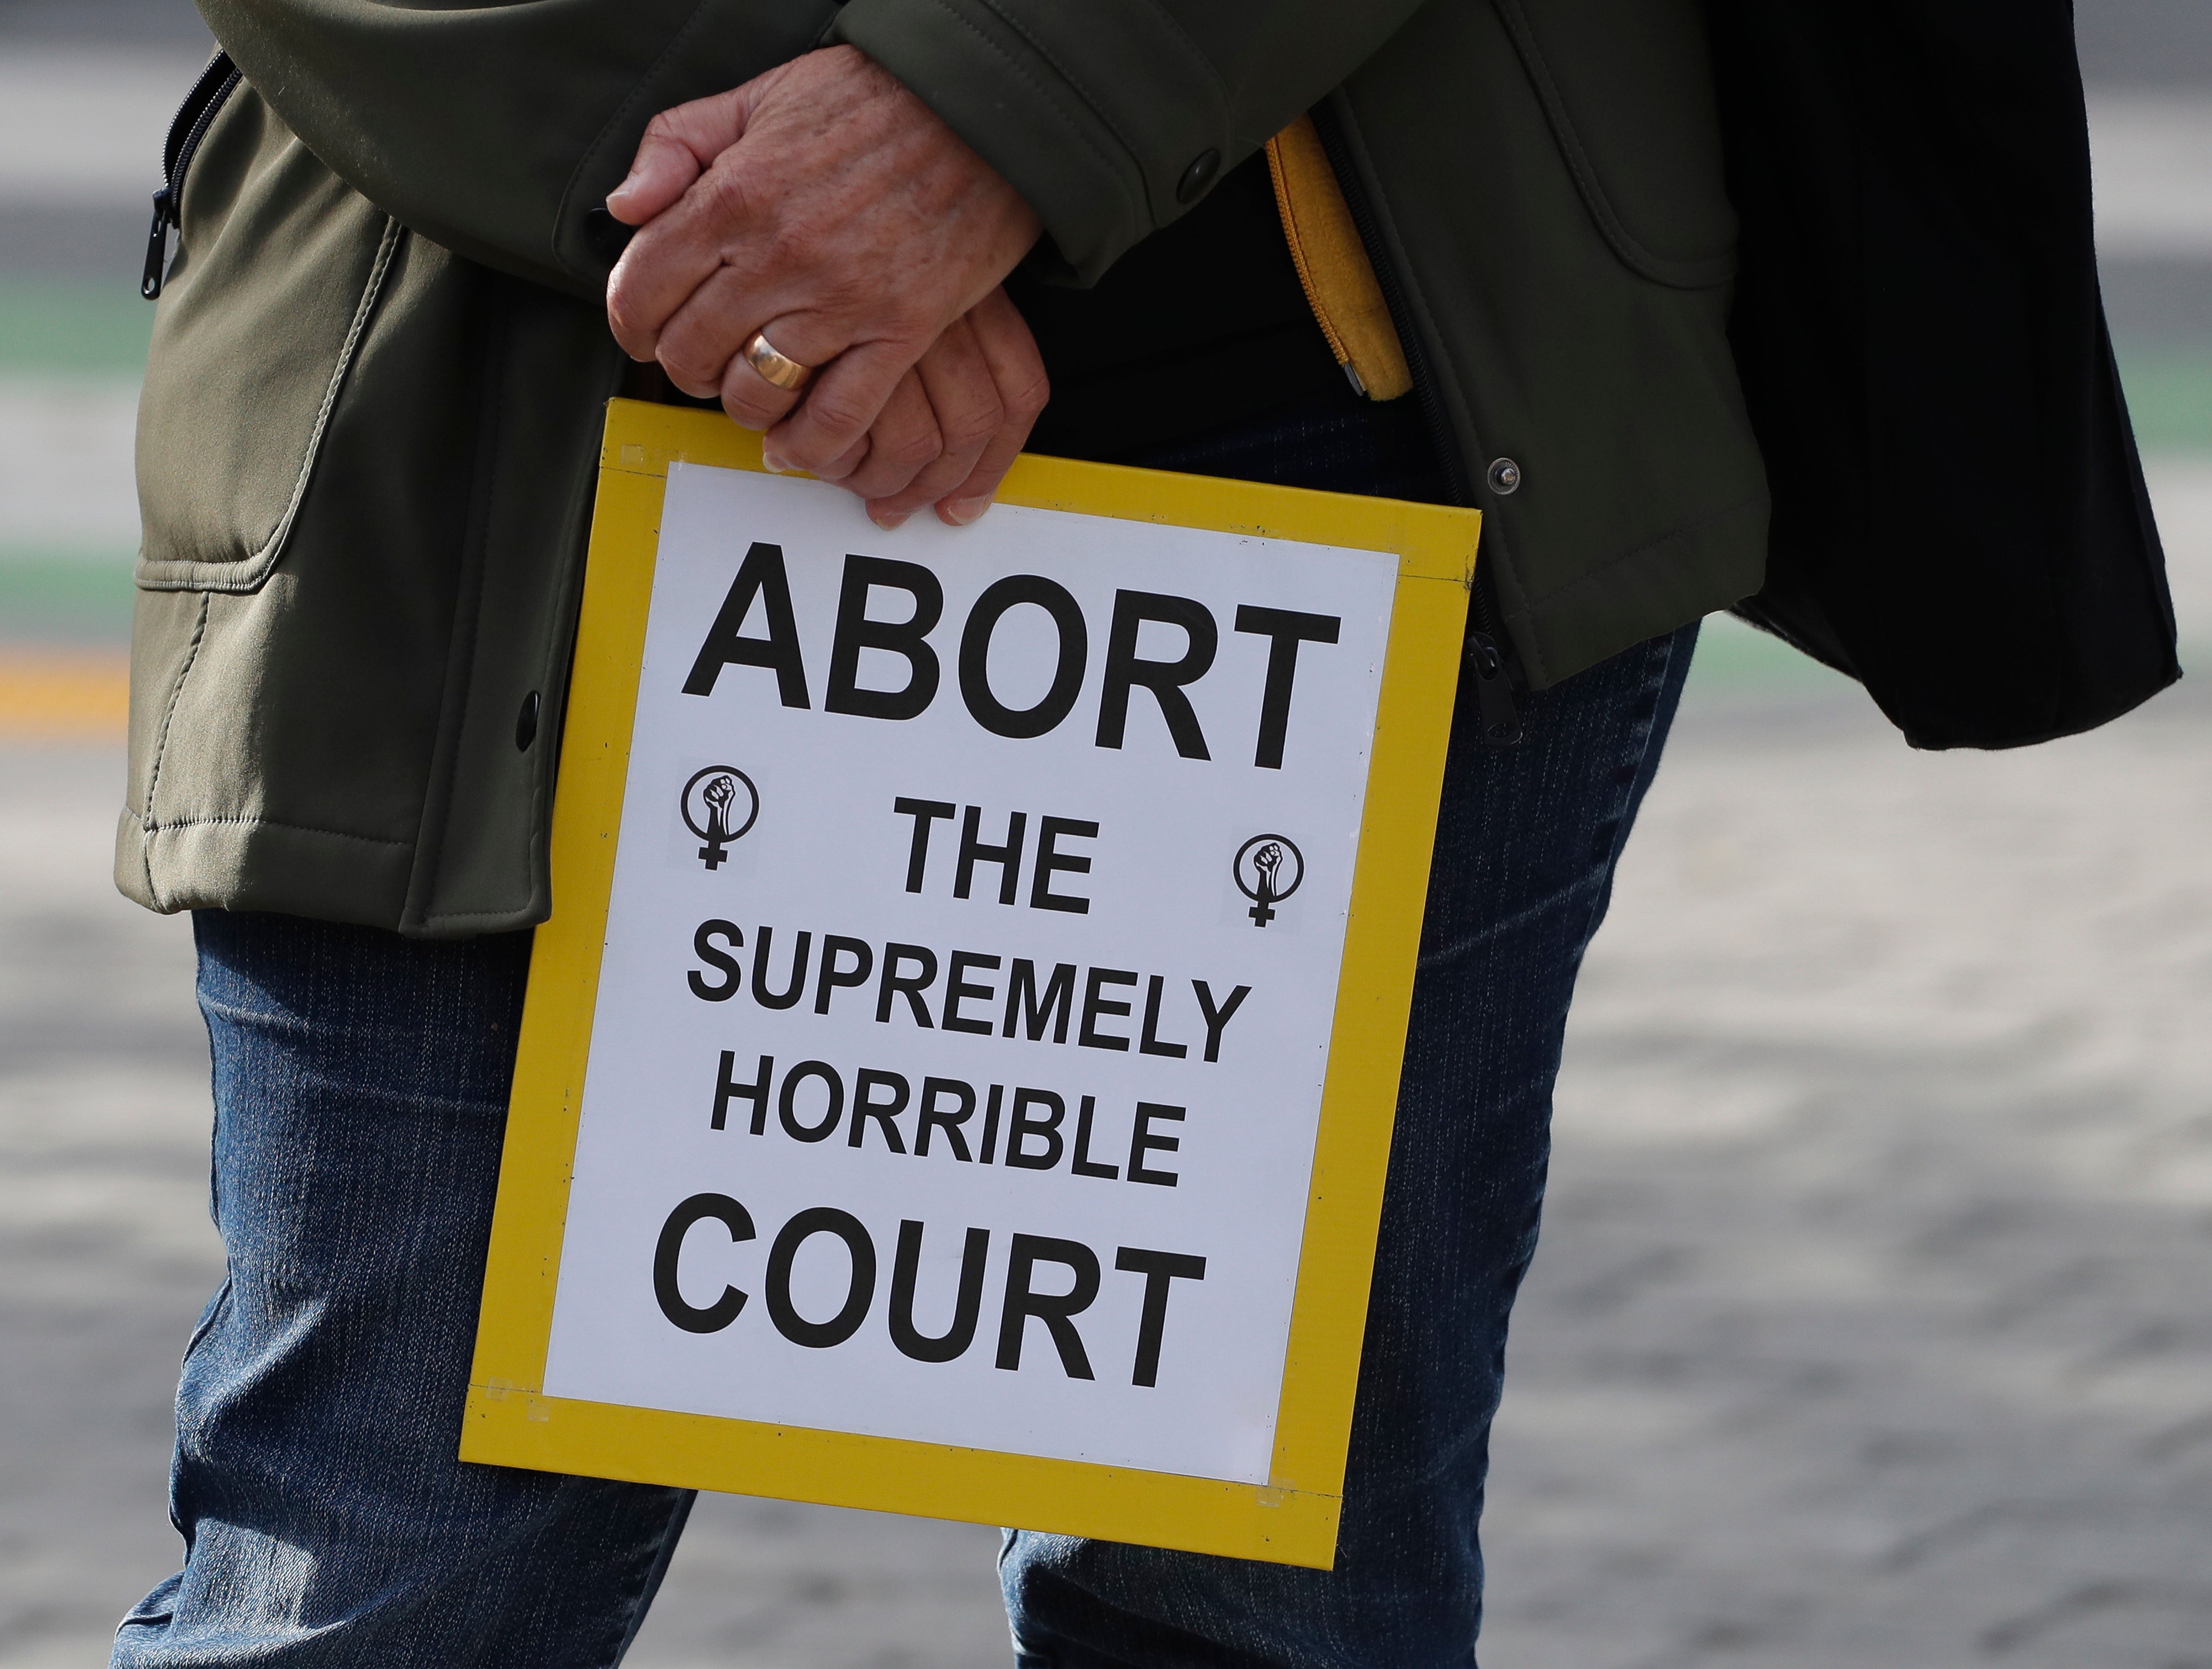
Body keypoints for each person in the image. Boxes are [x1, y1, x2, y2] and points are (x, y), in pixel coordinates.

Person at [110, 3, 2167, 1665]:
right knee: (388, 1586)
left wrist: (1004, 107)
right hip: (503, 418)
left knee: (1256, 1609)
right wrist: (789, 208)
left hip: (1372, 423)